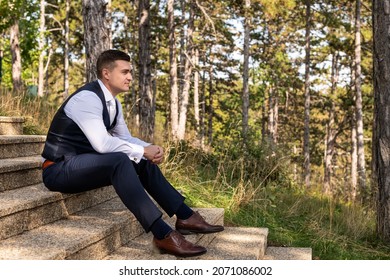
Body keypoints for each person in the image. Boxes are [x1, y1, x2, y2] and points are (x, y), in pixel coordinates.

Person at [41, 49, 224, 258]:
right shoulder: (87, 99)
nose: (130, 77)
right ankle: (162, 234)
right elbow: (102, 144)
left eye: (131, 73)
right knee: (121, 159)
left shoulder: (113, 103)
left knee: (140, 159)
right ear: (106, 73)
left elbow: (125, 139)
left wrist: (149, 148)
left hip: (83, 165)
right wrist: (142, 150)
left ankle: (185, 216)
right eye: (125, 72)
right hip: (58, 170)